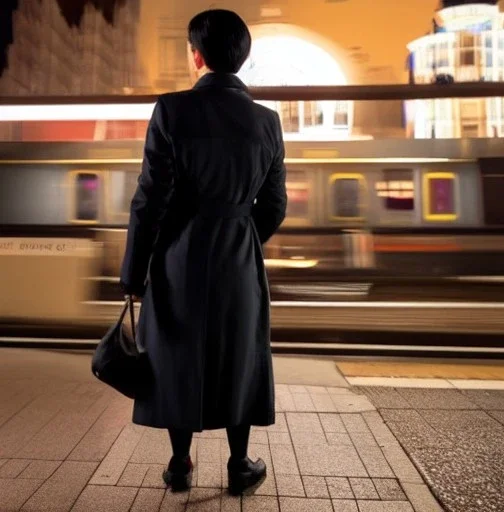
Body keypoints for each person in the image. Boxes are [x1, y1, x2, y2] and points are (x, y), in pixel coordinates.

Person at [120, 9, 287, 496]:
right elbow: (274, 204)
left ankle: (178, 465)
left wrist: (134, 270)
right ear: (243, 58)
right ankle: (239, 466)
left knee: (178, 352)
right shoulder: (268, 122)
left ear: (197, 56)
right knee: (238, 352)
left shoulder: (171, 110)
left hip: (179, 256)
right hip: (239, 256)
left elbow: (150, 197)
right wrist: (241, 234)